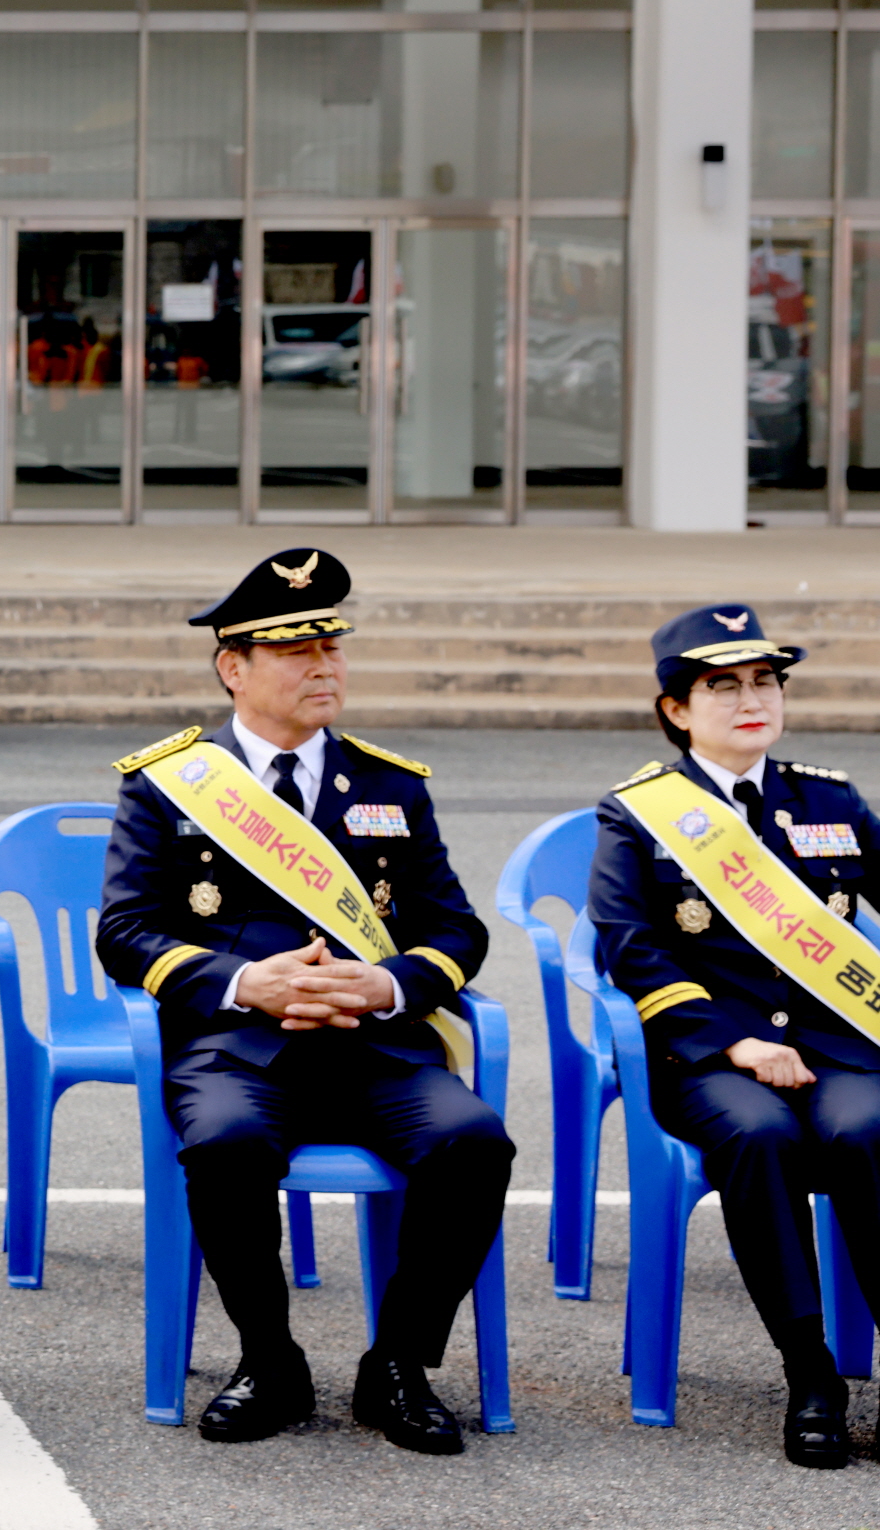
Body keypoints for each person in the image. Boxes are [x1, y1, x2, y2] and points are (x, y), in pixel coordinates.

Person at [93, 548, 509, 1454]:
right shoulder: (168, 784)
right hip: (239, 1048)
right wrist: (248, 981)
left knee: (474, 1143)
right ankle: (270, 1359)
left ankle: (397, 1363)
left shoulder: (393, 785)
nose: (323, 664)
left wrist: (389, 981)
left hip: (376, 1046)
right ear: (232, 667)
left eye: (330, 644)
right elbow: (123, 931)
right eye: (294, 650)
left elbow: (460, 930)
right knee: (227, 1145)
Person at [588, 604, 880, 1468]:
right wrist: (733, 1043)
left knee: (864, 1129)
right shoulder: (637, 814)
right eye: (723, 685)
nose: (751, 699)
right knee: (761, 1137)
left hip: (836, 1047)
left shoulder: (830, 799)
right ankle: (811, 1373)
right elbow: (626, 943)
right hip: (710, 1055)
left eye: (764, 681)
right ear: (677, 707)